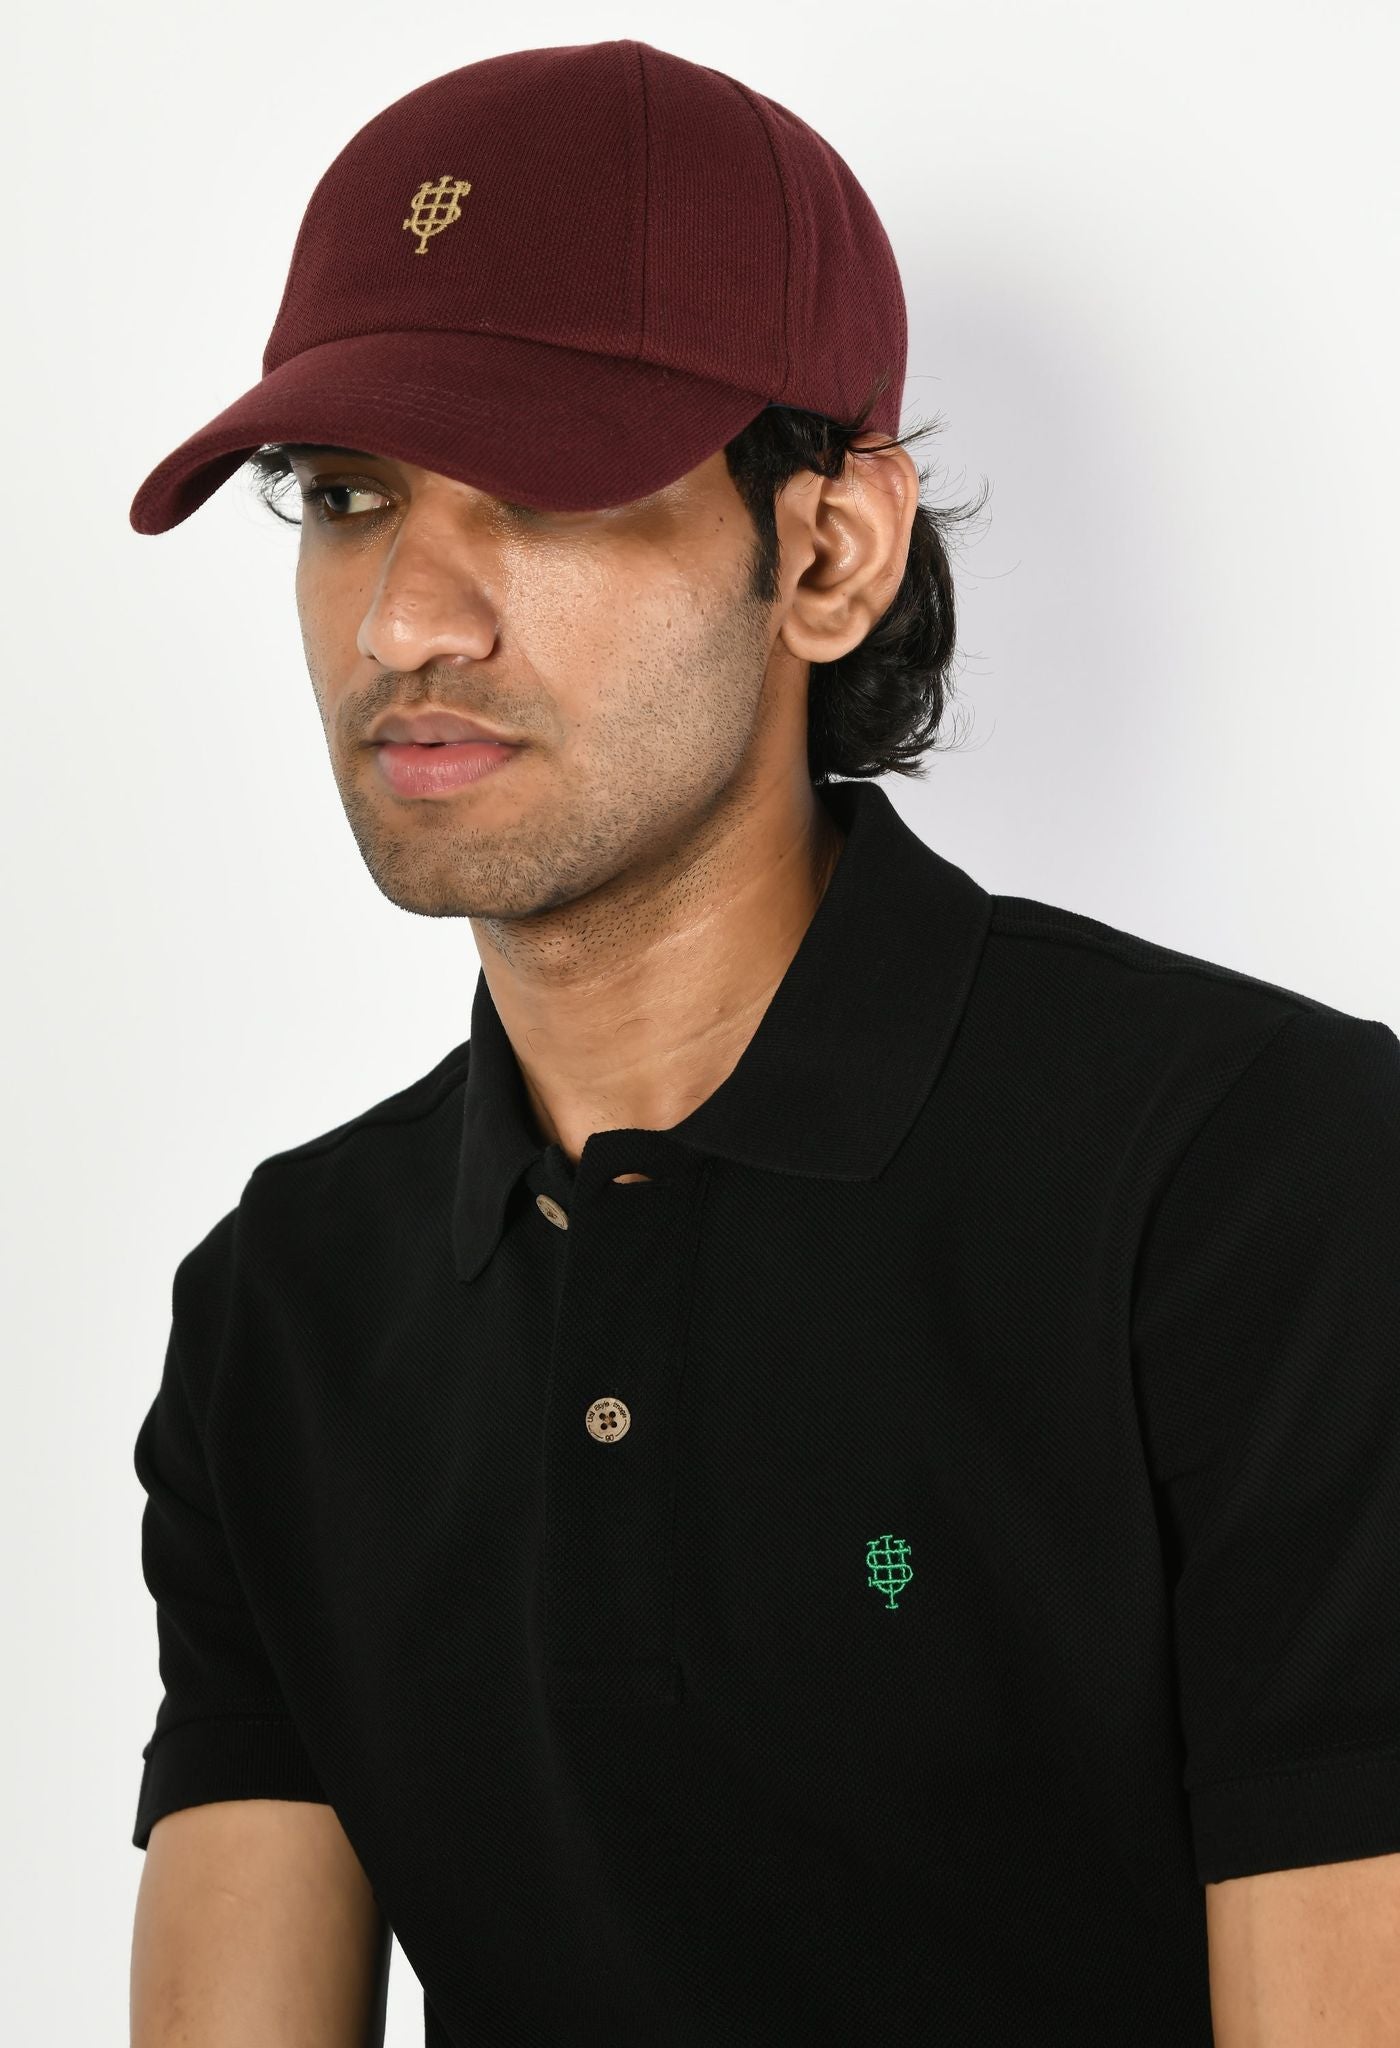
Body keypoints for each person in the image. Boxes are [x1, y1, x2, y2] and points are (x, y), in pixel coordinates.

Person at [125, 39, 1400, 2048]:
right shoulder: (284, 1305)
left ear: (827, 553)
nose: (402, 622)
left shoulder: (1262, 1181)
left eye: (535, 488)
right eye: (347, 498)